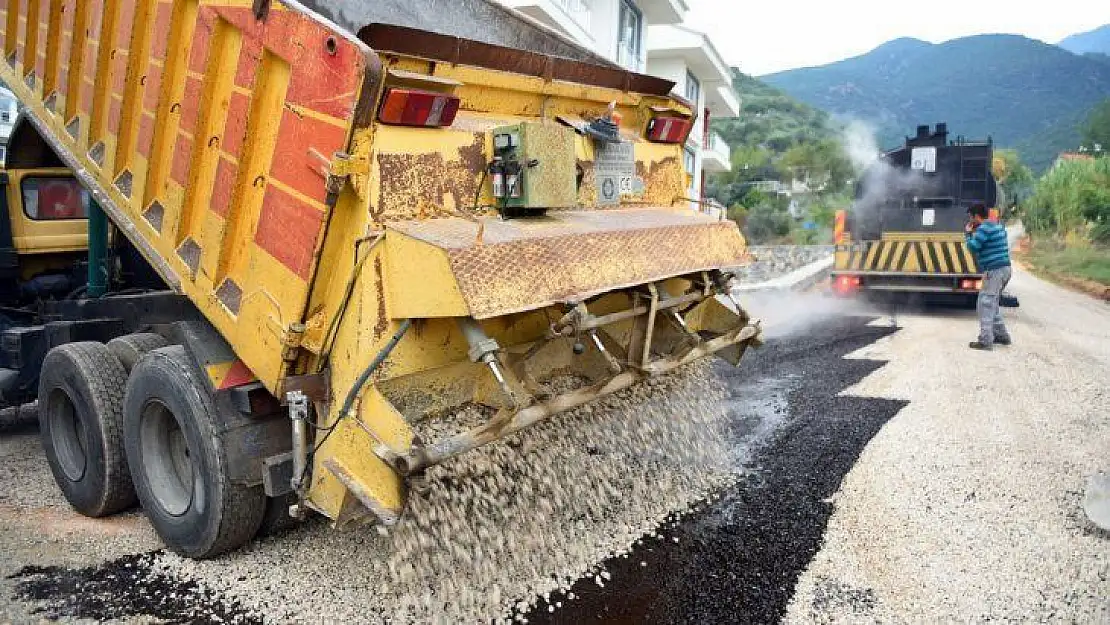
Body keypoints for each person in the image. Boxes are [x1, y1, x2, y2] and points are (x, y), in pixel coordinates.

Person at [964, 203, 1012, 350]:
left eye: (971, 218)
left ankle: (985, 341)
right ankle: (1002, 336)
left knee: (985, 304)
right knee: (992, 303)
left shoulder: (983, 229)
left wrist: (968, 233)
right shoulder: (997, 226)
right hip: (1005, 269)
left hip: (994, 270)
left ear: (976, 216)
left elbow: (973, 247)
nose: (970, 221)